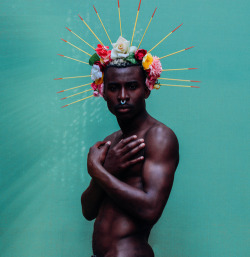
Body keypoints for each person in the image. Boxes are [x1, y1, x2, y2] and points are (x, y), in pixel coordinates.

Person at [81, 60, 179, 257]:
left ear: (147, 90)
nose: (123, 96)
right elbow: (88, 211)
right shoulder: (111, 141)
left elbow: (151, 209)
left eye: (132, 86)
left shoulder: (159, 136)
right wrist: (106, 170)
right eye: (114, 88)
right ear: (103, 93)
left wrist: (98, 170)